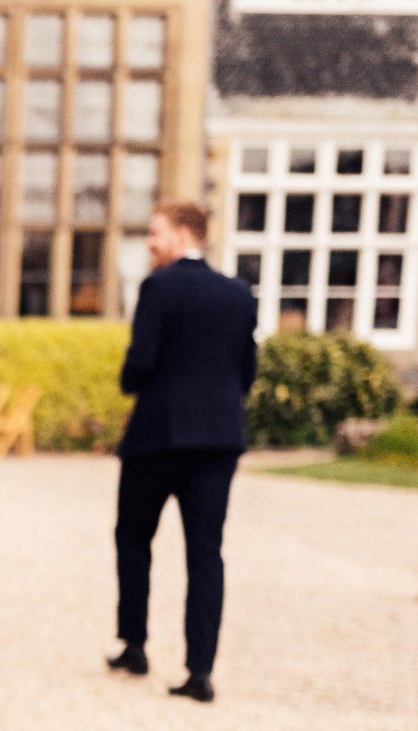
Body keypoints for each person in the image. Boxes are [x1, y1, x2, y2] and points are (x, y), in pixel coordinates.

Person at [111, 200, 256, 704]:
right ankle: (200, 670)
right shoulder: (239, 294)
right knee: (205, 552)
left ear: (181, 235)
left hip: (159, 437)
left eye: (155, 234)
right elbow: (247, 371)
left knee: (133, 536)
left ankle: (134, 644)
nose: (150, 243)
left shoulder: (159, 286)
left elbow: (141, 361)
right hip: (218, 440)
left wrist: (130, 381)